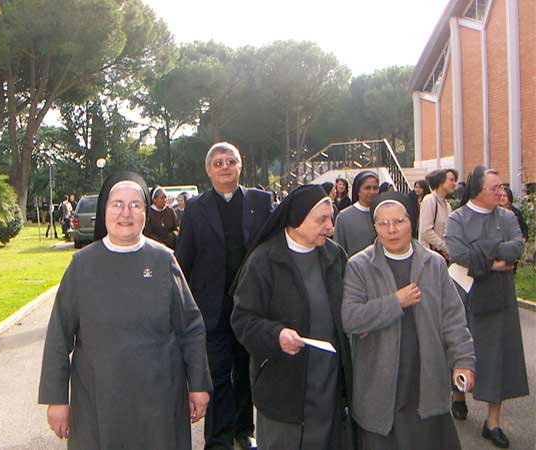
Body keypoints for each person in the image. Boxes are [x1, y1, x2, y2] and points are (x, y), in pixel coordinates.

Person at [38, 171, 212, 450]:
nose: (126, 213)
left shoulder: (163, 260)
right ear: (104, 211)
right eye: (117, 204)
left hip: (160, 398)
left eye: (135, 205)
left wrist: (199, 384)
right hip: (98, 399)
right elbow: (59, 336)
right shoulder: (82, 265)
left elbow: (190, 327)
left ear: (145, 212)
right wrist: (57, 399)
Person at [342, 191, 476, 450]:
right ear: (374, 227)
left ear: (411, 222)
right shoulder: (359, 266)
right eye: (383, 223)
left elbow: (453, 320)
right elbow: (350, 318)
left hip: (425, 378)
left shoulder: (434, 264)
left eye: (399, 221)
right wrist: (395, 302)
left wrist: (463, 362)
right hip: (379, 382)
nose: (392, 229)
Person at [231, 184, 355, 450]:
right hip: (284, 386)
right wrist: (276, 335)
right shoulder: (264, 261)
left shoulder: (335, 256)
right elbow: (243, 319)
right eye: (321, 220)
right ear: (297, 218)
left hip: (329, 385)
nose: (330, 227)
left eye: (331, 218)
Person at [176, 142, 273, 450]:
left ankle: (244, 431)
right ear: (208, 170)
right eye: (218, 163)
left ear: (240, 166)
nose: (225, 167)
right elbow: (183, 259)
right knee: (217, 376)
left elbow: (272, 248)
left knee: (245, 372)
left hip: (250, 306)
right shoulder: (195, 208)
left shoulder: (261, 201)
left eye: (231, 161)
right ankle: (218, 440)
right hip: (212, 308)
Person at [445, 166, 529, 449]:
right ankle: (458, 393)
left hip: (499, 295)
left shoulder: (507, 217)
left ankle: (493, 422)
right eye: (494, 188)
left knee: (498, 356)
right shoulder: (457, 219)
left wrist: (480, 251)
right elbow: (458, 253)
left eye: (501, 187)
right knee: (460, 347)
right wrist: (493, 261)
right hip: (465, 293)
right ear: (477, 191)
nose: (501, 193)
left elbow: (517, 247)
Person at [334, 170, 379, 257]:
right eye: (367, 188)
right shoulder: (344, 217)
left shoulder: (384, 215)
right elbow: (339, 251)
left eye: (375, 188)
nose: (372, 192)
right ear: (358, 190)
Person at [418, 168, 458, 260]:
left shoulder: (447, 205)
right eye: (451, 180)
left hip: (442, 257)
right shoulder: (429, 200)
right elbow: (426, 231)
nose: (455, 184)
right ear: (440, 182)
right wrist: (445, 248)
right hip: (429, 257)